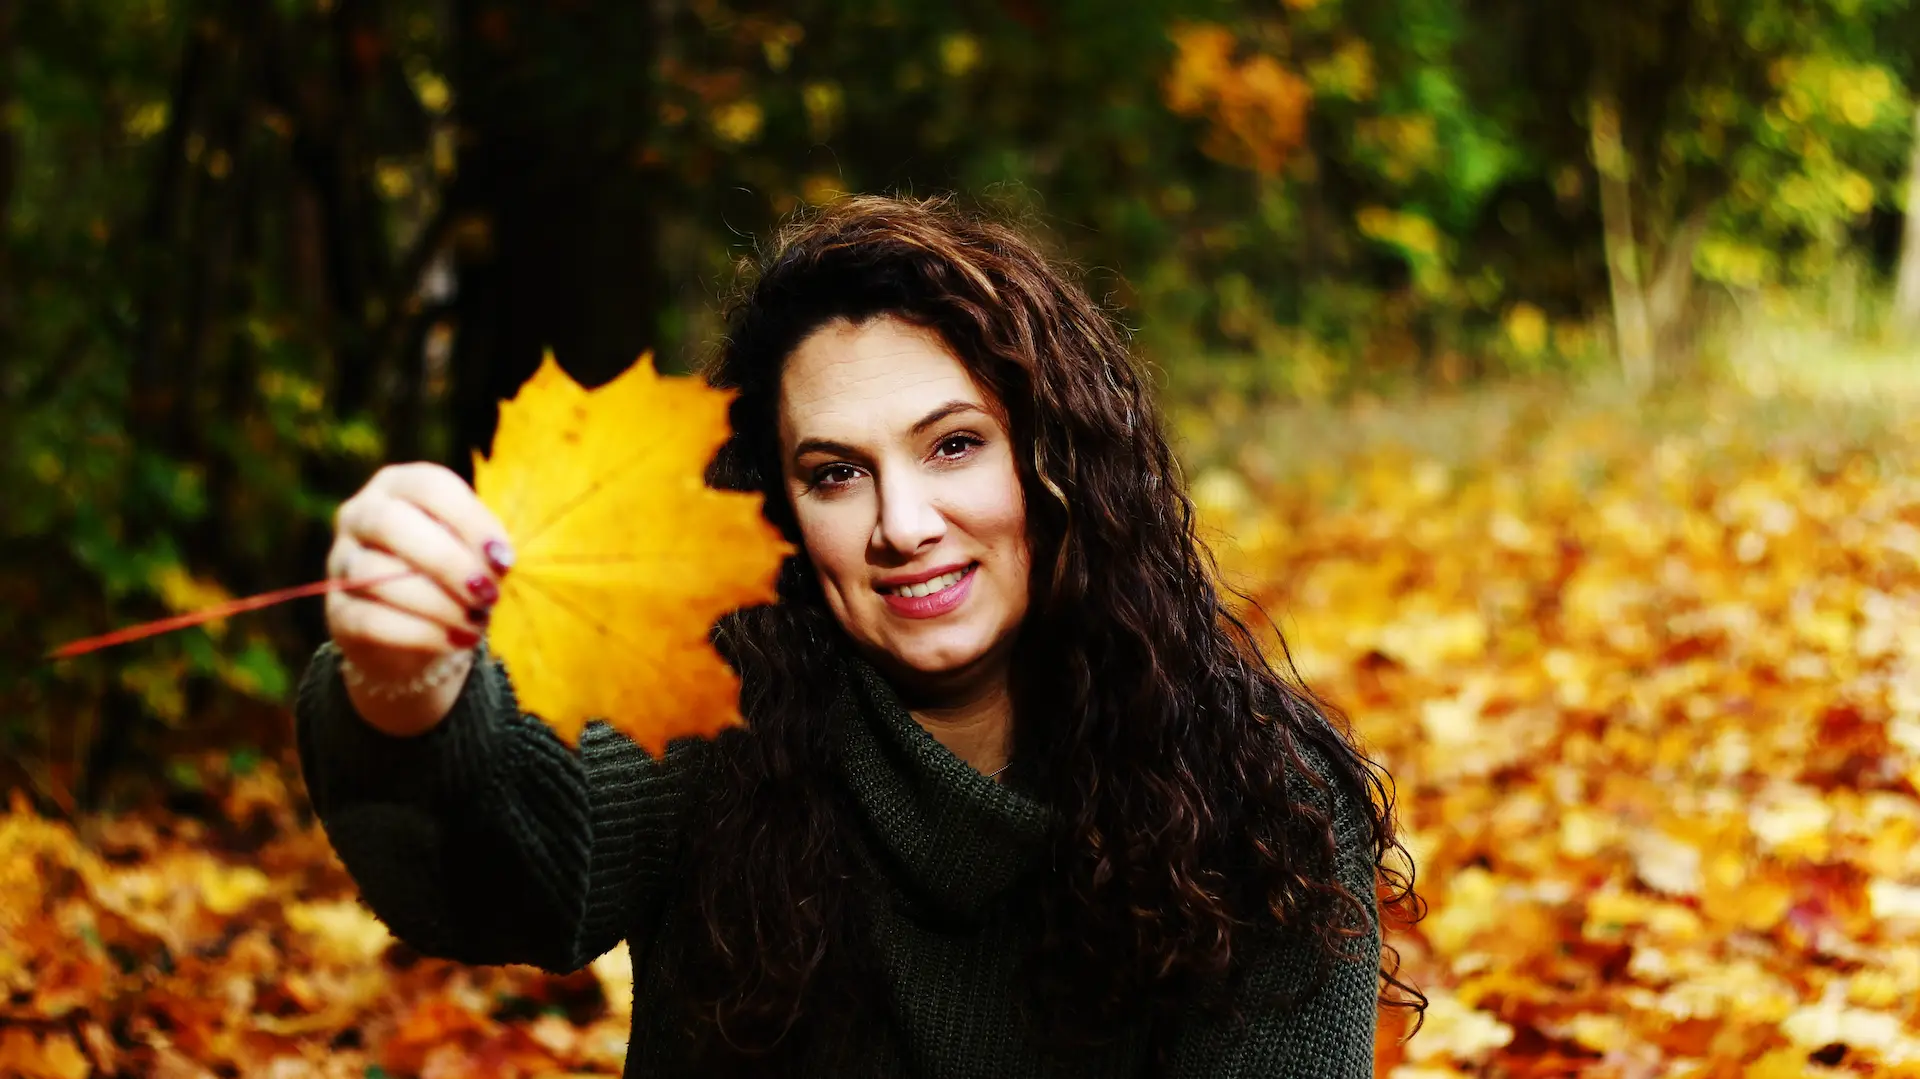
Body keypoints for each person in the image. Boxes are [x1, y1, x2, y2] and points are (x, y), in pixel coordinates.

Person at [296, 195, 1420, 1079]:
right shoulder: (716, 714)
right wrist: (410, 685)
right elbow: (509, 867)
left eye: (953, 446)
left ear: (1060, 458)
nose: (903, 524)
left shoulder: (1262, 804)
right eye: (835, 472)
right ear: (780, 511)